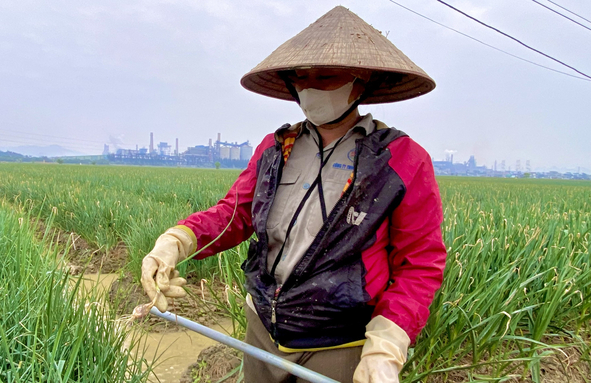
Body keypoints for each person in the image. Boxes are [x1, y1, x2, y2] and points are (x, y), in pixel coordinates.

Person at [141, 6, 446, 383]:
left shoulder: (400, 160)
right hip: (263, 325)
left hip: (339, 341)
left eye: (326, 75)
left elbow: (420, 263)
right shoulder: (275, 148)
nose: (309, 86)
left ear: (361, 79)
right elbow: (236, 214)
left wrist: (386, 345)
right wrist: (176, 241)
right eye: (301, 76)